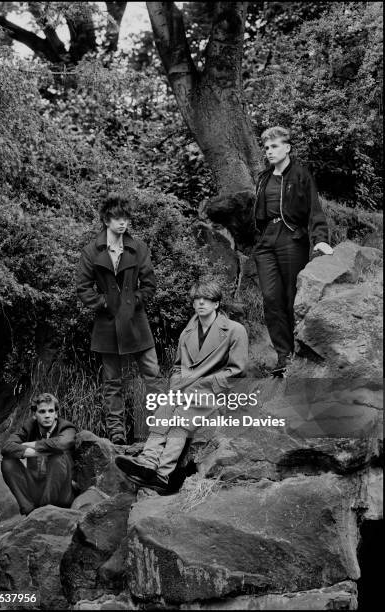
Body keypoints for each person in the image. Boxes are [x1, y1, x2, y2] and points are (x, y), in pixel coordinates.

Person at [115, 279, 249, 493]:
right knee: (165, 407)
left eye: (207, 299)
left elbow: (237, 371)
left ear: (217, 304)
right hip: (186, 391)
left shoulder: (235, 330)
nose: (201, 303)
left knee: (182, 412)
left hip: (216, 394)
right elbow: (177, 367)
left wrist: (204, 384)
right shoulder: (187, 333)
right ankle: (150, 463)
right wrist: (177, 385)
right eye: (197, 299)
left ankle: (162, 473)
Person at [77, 193, 162, 445]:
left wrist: (134, 301)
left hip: (136, 320)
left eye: (126, 218)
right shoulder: (92, 251)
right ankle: (117, 434)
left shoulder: (139, 248)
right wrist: (105, 303)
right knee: (112, 381)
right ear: (106, 220)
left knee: (152, 373)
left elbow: (149, 284)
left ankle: (160, 425)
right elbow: (83, 288)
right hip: (107, 322)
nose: (123, 223)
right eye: (117, 218)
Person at [253, 126, 333, 377]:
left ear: (287, 148)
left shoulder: (300, 174)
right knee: (270, 297)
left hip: (292, 238)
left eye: (274, 146)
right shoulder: (264, 178)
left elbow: (314, 209)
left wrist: (319, 238)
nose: (269, 151)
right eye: (266, 147)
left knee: (290, 297)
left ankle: (299, 351)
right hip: (267, 241)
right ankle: (283, 356)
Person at [1, 393, 76, 516]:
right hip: (37, 488)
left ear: (56, 413)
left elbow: (62, 443)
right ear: (35, 414)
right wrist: (36, 453)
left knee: (57, 457)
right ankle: (29, 510)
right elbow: (6, 446)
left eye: (51, 411)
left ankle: (45, 510)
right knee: (8, 462)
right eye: (42, 411)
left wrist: (32, 444)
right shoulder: (29, 427)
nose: (47, 415)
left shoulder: (66, 427)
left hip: (61, 493)